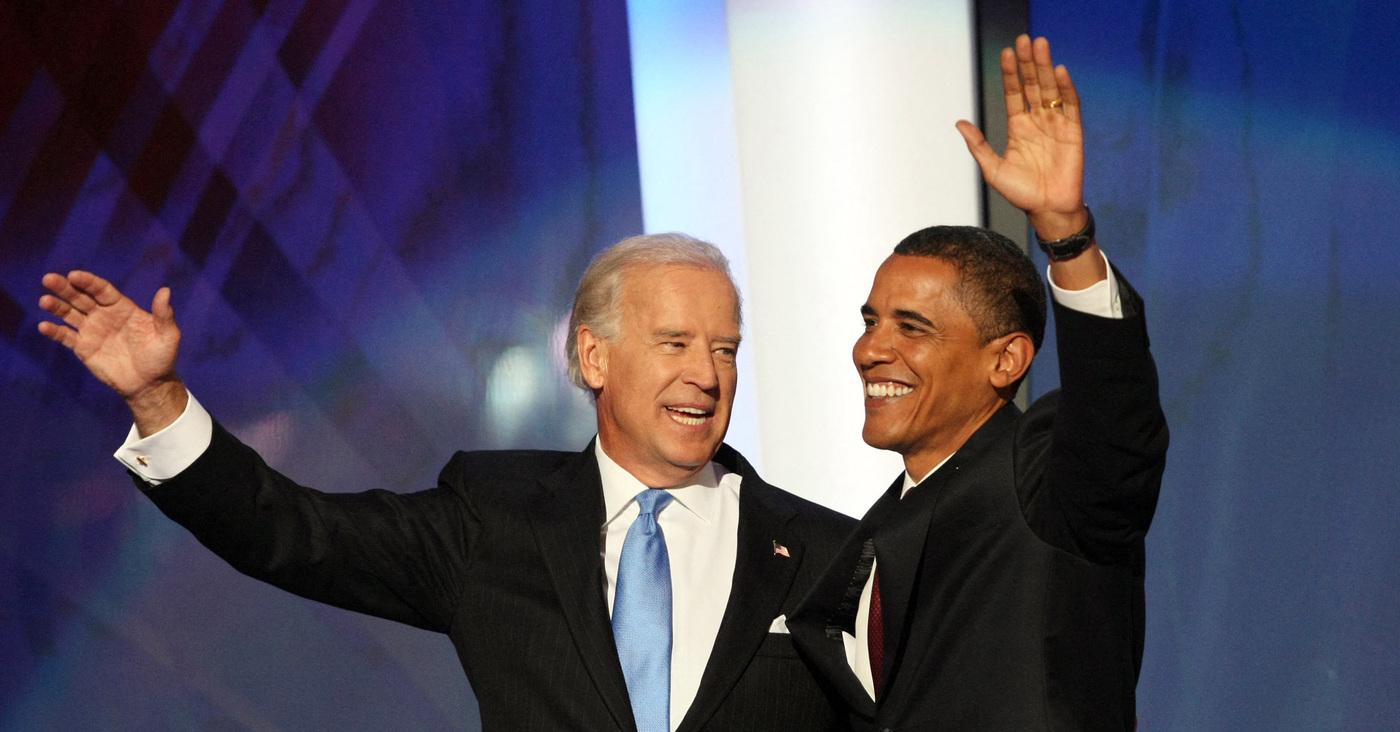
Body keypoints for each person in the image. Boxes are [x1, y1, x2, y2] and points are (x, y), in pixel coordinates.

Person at [37, 233, 855, 731]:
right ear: (594, 356)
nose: (707, 376)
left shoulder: (825, 551)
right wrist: (156, 398)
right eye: (675, 343)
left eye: (725, 348)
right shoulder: (494, 520)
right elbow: (293, 532)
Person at [787, 35, 1169, 730]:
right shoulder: (871, 533)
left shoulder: (1043, 481)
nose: (871, 349)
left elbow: (1117, 416)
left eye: (912, 328)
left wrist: (1067, 237)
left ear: (1007, 360)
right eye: (871, 321)